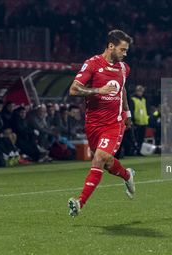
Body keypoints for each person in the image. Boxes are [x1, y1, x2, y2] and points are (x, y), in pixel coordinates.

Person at [67, 30, 135, 218]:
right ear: (110, 46)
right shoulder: (92, 64)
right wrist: (98, 90)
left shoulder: (124, 68)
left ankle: (79, 203)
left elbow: (122, 91)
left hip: (115, 122)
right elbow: (74, 89)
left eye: (126, 50)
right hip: (93, 124)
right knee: (106, 163)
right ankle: (127, 175)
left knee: (99, 158)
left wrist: (127, 114)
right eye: (122, 49)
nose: (125, 54)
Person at [130, 85, 149, 155]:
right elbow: (132, 110)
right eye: (139, 91)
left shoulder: (144, 100)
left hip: (143, 121)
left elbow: (145, 110)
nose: (140, 93)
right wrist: (133, 121)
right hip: (136, 122)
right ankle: (133, 150)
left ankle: (138, 150)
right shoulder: (133, 99)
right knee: (135, 138)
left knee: (141, 138)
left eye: (141, 91)